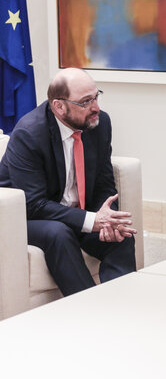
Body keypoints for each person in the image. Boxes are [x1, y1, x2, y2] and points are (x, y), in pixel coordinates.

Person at [0, 68, 137, 296]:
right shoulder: (29, 134)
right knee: (58, 233)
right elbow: (34, 205)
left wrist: (107, 217)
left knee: (121, 234)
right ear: (59, 106)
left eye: (96, 97)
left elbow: (104, 182)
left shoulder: (99, 124)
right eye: (85, 102)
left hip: (73, 213)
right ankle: (89, 311)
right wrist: (91, 220)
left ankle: (120, 306)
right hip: (23, 216)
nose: (96, 108)